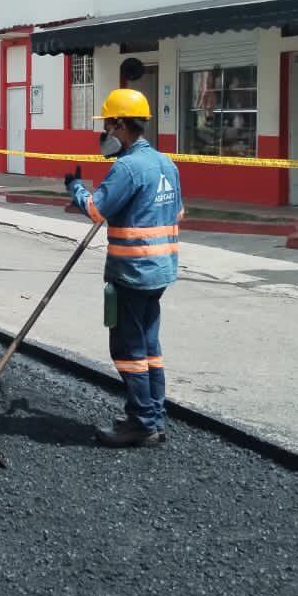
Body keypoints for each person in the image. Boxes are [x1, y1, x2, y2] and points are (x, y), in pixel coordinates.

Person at [64, 88, 182, 448]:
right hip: (161, 271)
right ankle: (153, 415)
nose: (106, 135)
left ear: (119, 125)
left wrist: (76, 188)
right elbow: (176, 212)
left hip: (133, 272)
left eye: (108, 127)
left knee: (128, 350)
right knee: (149, 345)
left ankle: (141, 424)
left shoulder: (127, 167)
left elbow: (97, 210)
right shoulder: (166, 163)